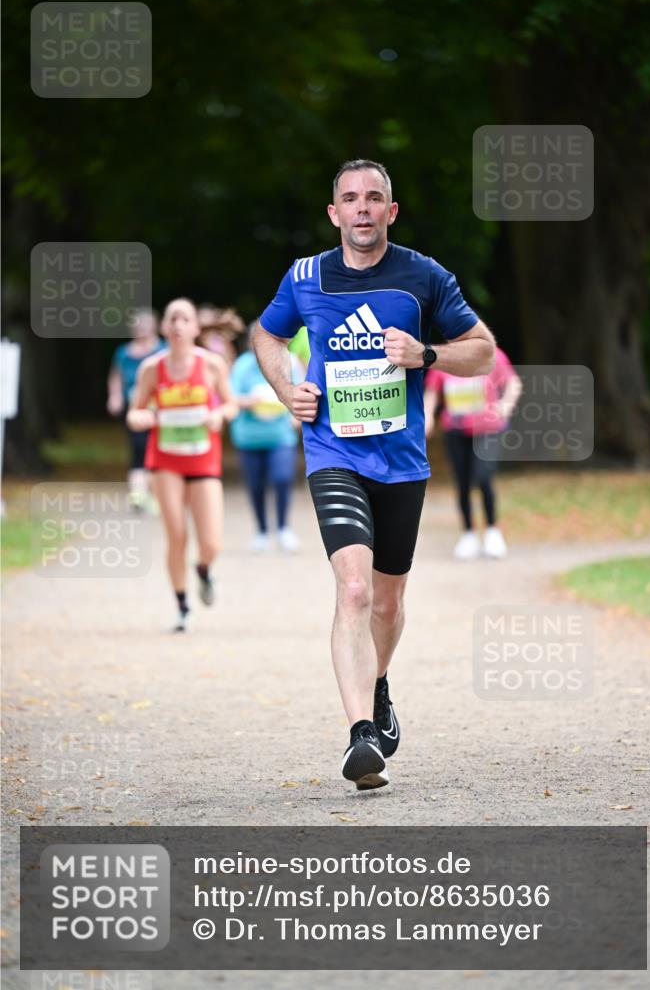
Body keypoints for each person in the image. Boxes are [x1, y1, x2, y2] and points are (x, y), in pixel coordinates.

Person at [253, 159, 496, 790]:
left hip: (402, 461)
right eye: (350, 199)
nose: (363, 208)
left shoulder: (423, 276)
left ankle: (379, 684)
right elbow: (266, 336)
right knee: (354, 590)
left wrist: (428, 353)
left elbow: (484, 350)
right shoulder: (305, 277)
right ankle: (361, 734)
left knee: (388, 600)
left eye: (375, 198)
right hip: (333, 451)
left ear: (391, 211)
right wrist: (286, 391)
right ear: (334, 213)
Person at [127, 298, 238, 632]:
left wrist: (219, 414)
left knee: (211, 543)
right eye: (172, 318)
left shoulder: (212, 365)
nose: (177, 325)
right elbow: (133, 413)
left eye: (184, 319)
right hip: (165, 461)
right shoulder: (151, 368)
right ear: (164, 327)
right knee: (176, 535)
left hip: (203, 459)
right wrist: (143, 417)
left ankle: (203, 571)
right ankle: (182, 606)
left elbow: (231, 404)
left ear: (194, 328)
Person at [424, 348, 523, 559]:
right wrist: (428, 417)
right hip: (456, 430)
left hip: (488, 428)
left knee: (483, 476)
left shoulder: (491, 354)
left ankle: (492, 531)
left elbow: (513, 383)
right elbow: (432, 391)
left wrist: (505, 405)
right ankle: (468, 534)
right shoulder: (445, 356)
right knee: (462, 482)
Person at [230, 322, 304, 553]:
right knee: (255, 485)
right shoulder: (242, 365)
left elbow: (304, 391)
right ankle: (261, 531)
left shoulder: (290, 362)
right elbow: (230, 398)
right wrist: (250, 401)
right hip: (249, 437)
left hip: (280, 435)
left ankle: (283, 528)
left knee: (282, 478)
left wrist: (297, 417)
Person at [106, 308, 165, 511]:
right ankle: (138, 496)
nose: (140, 329)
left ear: (155, 326)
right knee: (138, 450)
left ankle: (157, 495)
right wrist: (114, 397)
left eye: (145, 324)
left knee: (158, 449)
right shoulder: (123, 352)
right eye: (137, 325)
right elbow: (116, 376)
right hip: (135, 408)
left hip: (161, 409)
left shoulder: (163, 350)